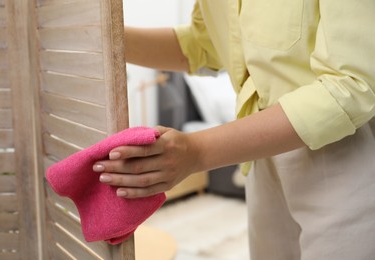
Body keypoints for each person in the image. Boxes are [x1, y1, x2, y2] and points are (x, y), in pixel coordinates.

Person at [93, 1, 375, 259]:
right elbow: (202, 45)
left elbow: (353, 85)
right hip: (260, 155)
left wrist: (198, 151)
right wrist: (103, 35)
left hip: (345, 157)